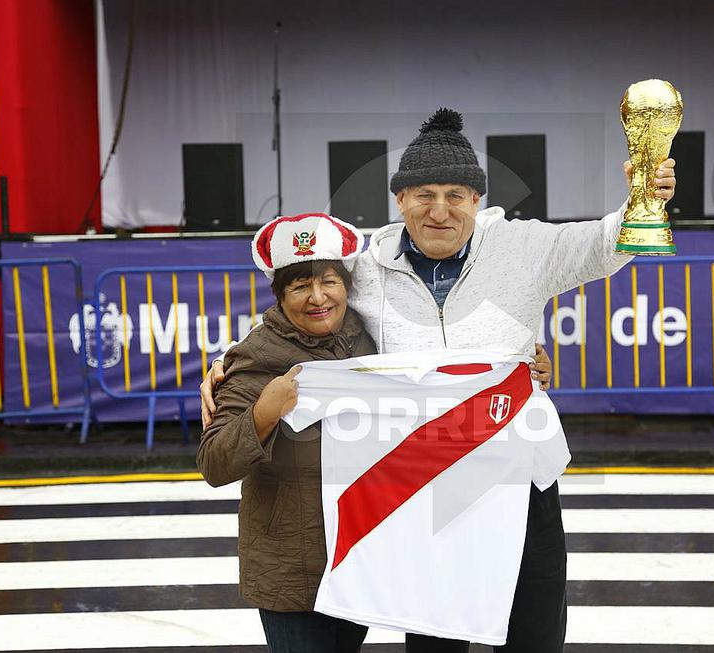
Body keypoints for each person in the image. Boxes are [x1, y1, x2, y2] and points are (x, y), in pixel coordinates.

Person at [201, 108, 676, 652]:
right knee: (435, 645)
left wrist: (646, 198)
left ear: (478, 200)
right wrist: (227, 364)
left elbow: (603, 242)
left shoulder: (524, 249)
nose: (440, 210)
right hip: (423, 489)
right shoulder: (367, 266)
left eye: (456, 194)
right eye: (423, 194)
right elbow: (302, 305)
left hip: (519, 482)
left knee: (533, 639)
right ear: (399, 200)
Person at [197, 213, 377, 653]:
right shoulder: (255, 358)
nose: (318, 298)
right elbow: (214, 463)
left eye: (329, 281)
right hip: (289, 569)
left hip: (357, 558)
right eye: (300, 287)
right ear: (279, 295)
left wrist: (528, 362)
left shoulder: (369, 336)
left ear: (347, 285)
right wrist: (263, 412)